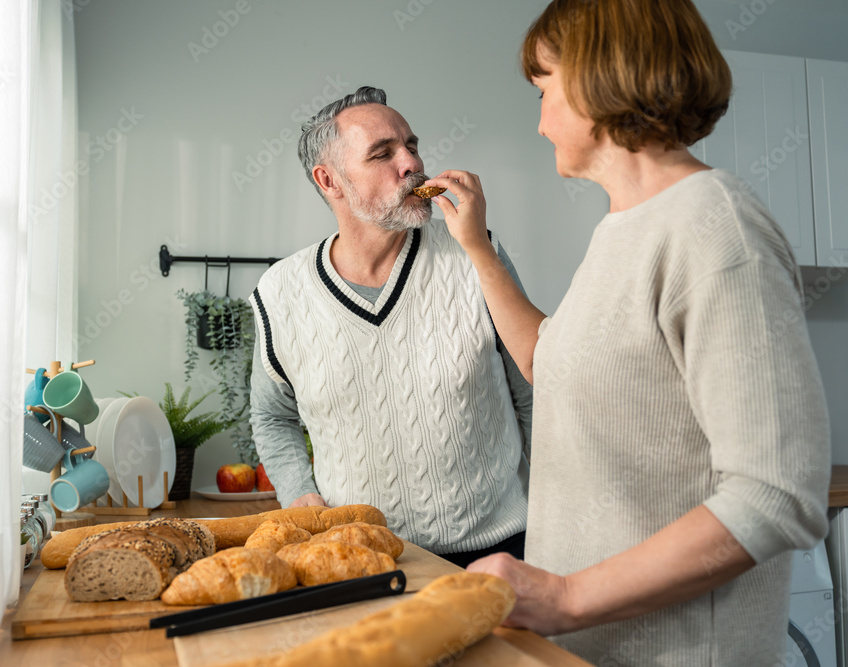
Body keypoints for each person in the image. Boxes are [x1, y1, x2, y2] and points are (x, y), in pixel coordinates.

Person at [421, 0, 831, 664]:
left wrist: (565, 596)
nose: (540, 121)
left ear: (592, 78)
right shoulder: (625, 229)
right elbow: (543, 360)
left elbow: (777, 491)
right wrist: (476, 248)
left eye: (543, 89)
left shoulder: (714, 227)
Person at [248, 86, 533, 566]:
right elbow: (272, 417)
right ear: (330, 180)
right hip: (357, 559)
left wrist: (555, 515)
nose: (411, 164)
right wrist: (299, 494)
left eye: (412, 145)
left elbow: (531, 392)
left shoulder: (476, 251)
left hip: (499, 553)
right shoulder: (279, 291)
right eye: (383, 154)